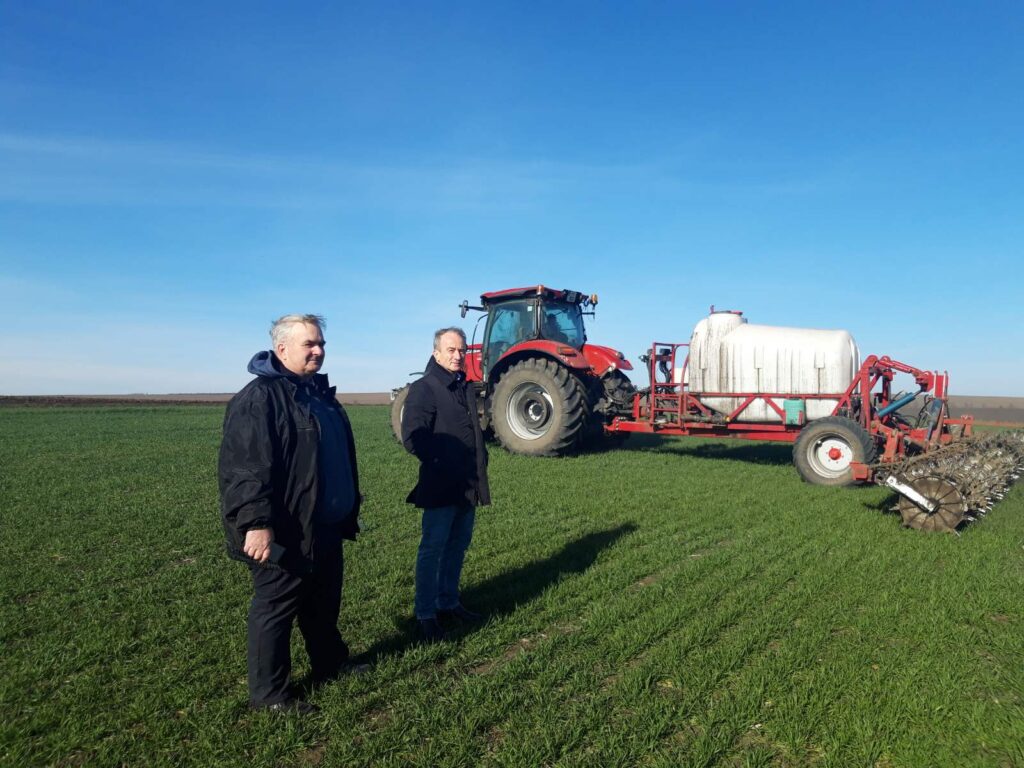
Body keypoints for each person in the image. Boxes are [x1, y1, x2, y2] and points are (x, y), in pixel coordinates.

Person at [219, 314, 362, 714]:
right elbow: (245, 468)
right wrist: (256, 523)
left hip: (325, 524)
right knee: (275, 609)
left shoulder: (317, 394)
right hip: (286, 528)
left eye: (321, 344)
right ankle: (269, 696)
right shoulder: (260, 399)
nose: (318, 351)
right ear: (281, 349)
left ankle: (329, 663)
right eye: (309, 344)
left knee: (323, 603)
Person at [401, 327, 491, 643]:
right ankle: (425, 614)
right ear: (436, 352)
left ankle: (449, 602)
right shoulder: (425, 388)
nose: (457, 356)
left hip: (468, 483)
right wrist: (442, 462)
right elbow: (413, 437)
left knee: (457, 546)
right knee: (432, 549)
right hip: (441, 485)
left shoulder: (463, 387)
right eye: (451, 350)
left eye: (461, 350)